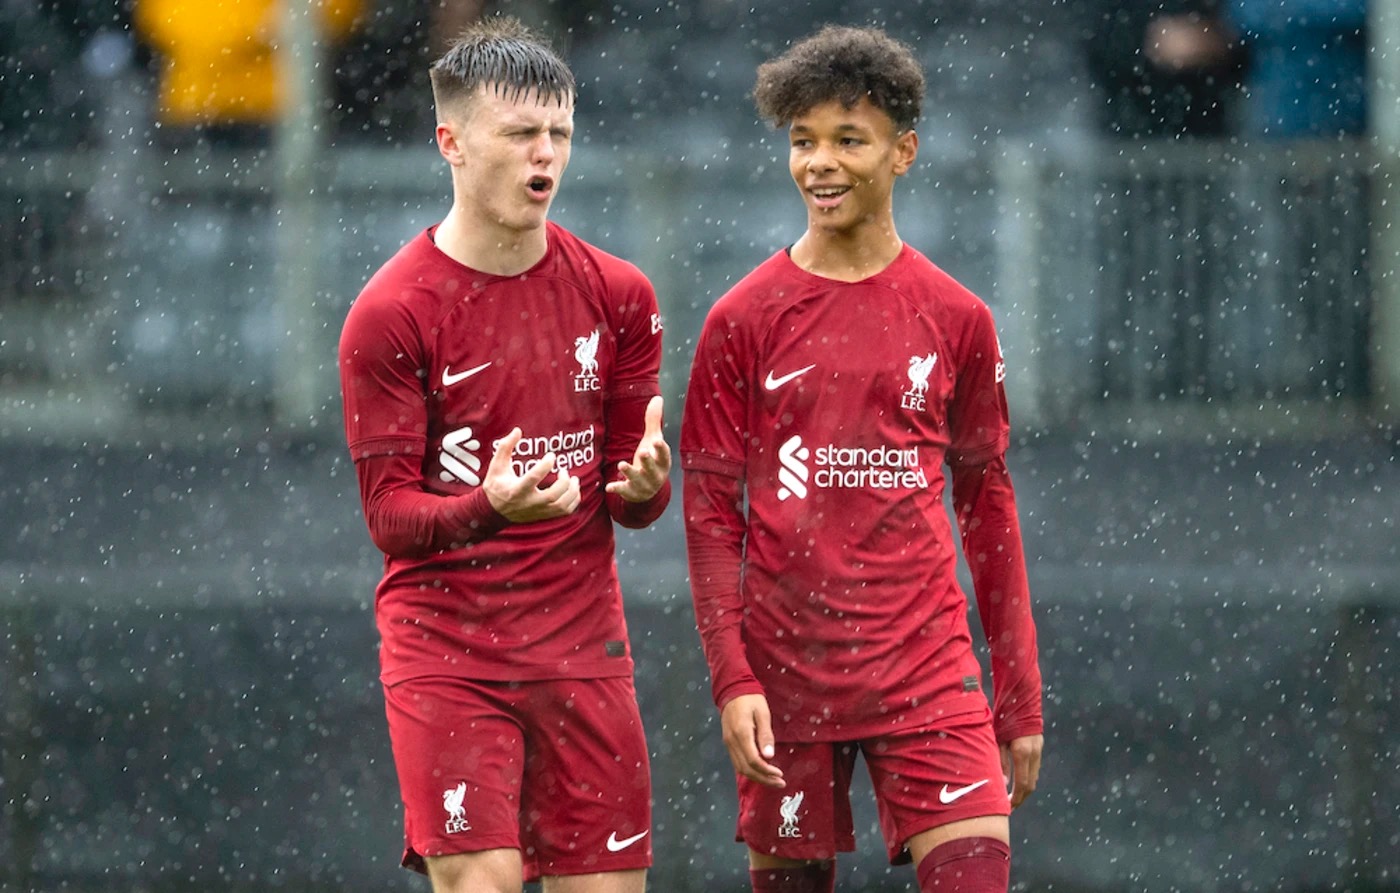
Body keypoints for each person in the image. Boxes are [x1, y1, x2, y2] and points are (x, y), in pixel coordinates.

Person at [680, 25, 1043, 893]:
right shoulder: (740, 320)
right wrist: (732, 678)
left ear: (902, 152)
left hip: (928, 673)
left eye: (849, 139)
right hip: (786, 678)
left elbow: (987, 507)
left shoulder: (957, 317)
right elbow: (709, 517)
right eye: (803, 141)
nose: (820, 163)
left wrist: (1019, 693)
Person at [337, 17, 670, 893]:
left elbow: (631, 501)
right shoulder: (390, 313)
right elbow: (389, 518)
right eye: (521, 133)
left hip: (583, 653)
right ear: (450, 142)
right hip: (450, 656)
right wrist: (489, 506)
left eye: (560, 132)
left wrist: (645, 486)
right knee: (479, 879)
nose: (545, 154)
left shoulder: (621, 294)